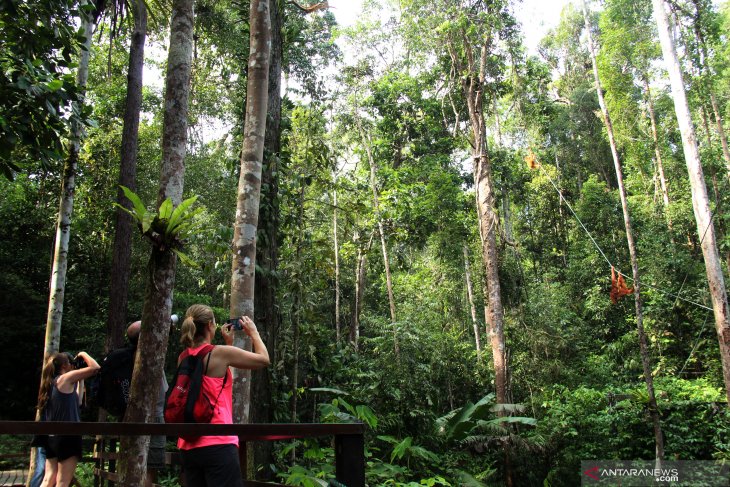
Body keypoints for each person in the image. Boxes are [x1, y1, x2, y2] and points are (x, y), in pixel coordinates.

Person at [176, 304, 270, 487]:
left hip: (188, 445)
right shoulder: (219, 353)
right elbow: (264, 359)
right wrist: (254, 333)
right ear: (210, 325)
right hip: (218, 442)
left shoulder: (183, 356)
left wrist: (228, 344)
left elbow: (213, 382)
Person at [37, 351, 100, 487]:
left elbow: (76, 403)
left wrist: (80, 378)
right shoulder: (65, 378)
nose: (74, 366)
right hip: (68, 436)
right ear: (65, 365)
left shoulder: (51, 383)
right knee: (63, 481)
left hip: (52, 437)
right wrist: (83, 354)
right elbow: (95, 368)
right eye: (72, 363)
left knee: (49, 478)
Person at [126, 320, 169, 486]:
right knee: (148, 469)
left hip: (129, 419)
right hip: (153, 419)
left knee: (132, 467)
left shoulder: (129, 358)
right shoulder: (151, 360)